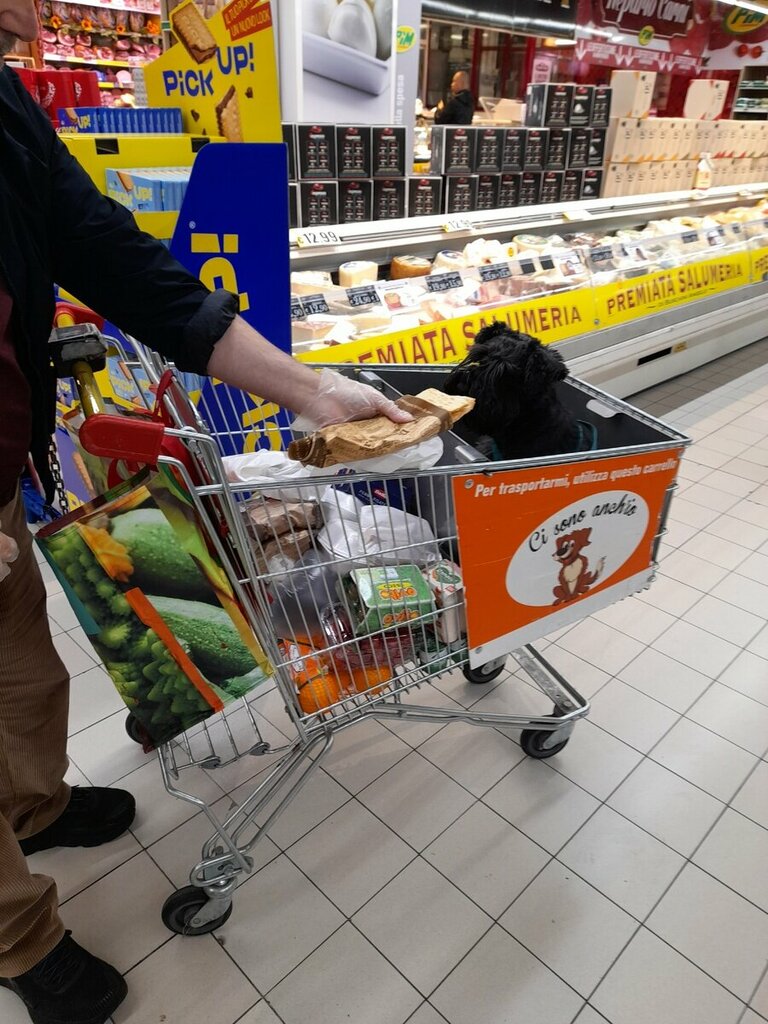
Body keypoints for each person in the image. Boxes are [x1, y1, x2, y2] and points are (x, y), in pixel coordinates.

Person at [0, 3, 412, 1023]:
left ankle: (33, 807)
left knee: (23, 673)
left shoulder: (4, 101)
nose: (40, 8)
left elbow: (116, 257)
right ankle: (17, 937)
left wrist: (310, 390)